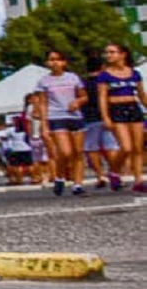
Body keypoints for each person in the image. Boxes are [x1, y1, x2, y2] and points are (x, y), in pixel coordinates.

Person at [34, 50, 86, 196]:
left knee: (78, 152)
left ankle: (78, 184)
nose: (55, 62)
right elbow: (42, 103)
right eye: (51, 60)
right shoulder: (44, 81)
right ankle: (59, 176)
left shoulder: (73, 78)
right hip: (56, 116)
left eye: (58, 59)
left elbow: (84, 96)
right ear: (47, 63)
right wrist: (44, 125)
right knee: (65, 151)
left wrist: (78, 101)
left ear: (64, 62)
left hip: (75, 116)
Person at [98, 42, 147, 194]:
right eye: (107, 52)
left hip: (133, 108)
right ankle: (113, 171)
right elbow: (102, 98)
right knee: (126, 147)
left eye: (112, 52)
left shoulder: (134, 73)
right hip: (116, 110)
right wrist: (105, 117)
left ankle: (138, 180)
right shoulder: (104, 75)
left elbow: (141, 94)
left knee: (138, 148)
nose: (109, 55)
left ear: (122, 54)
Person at [79, 52, 118, 190]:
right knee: (111, 147)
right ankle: (114, 173)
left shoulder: (82, 83)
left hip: (89, 118)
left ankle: (100, 175)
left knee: (91, 148)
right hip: (108, 116)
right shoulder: (106, 80)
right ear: (102, 66)